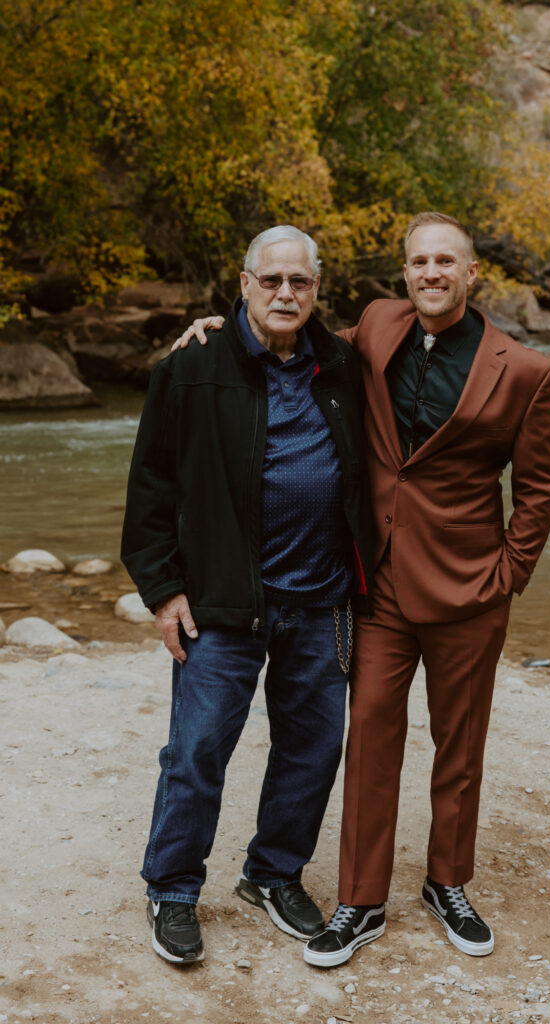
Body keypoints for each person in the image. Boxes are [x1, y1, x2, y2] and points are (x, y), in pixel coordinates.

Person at [174, 211, 550, 967]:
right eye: (418, 261)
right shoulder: (376, 326)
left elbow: (539, 488)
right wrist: (217, 329)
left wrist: (508, 573)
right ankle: (360, 900)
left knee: (459, 747)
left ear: (470, 272)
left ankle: (446, 882)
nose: (430, 274)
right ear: (403, 272)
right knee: (369, 741)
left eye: (445, 262)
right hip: (377, 584)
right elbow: (285, 329)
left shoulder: (524, 369)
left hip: (470, 589)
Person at [121, 224, 373, 964]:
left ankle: (272, 875)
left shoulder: (343, 365)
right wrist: (164, 591)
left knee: (312, 750)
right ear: (242, 284)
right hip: (222, 604)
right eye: (271, 281)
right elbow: (150, 489)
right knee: (197, 750)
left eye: (300, 281)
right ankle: (171, 887)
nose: (285, 293)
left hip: (321, 600)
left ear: (317, 289)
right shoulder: (192, 366)